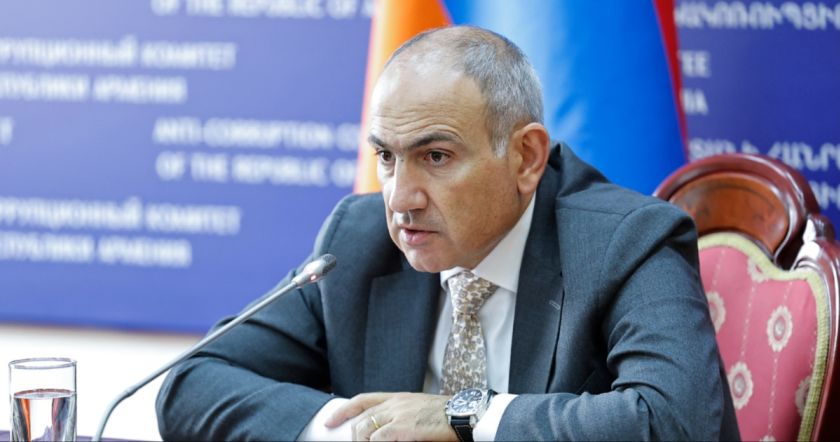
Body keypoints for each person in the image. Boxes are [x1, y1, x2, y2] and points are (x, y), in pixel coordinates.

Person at [156, 26, 739, 441]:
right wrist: (362, 432)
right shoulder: (358, 240)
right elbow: (190, 382)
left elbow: (674, 421)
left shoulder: (625, 241)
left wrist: (463, 416)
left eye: (435, 157)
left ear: (526, 157)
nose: (399, 199)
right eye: (386, 158)